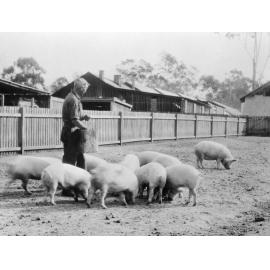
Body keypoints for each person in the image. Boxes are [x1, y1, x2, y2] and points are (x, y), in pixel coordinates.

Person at [61, 77, 91, 170]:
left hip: (72, 133)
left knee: (80, 157)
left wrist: (83, 116)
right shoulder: (73, 100)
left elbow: (75, 116)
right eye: (85, 89)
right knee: (70, 160)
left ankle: (81, 179)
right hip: (71, 133)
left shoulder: (73, 97)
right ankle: (67, 181)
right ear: (81, 88)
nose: (85, 91)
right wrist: (85, 128)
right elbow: (74, 120)